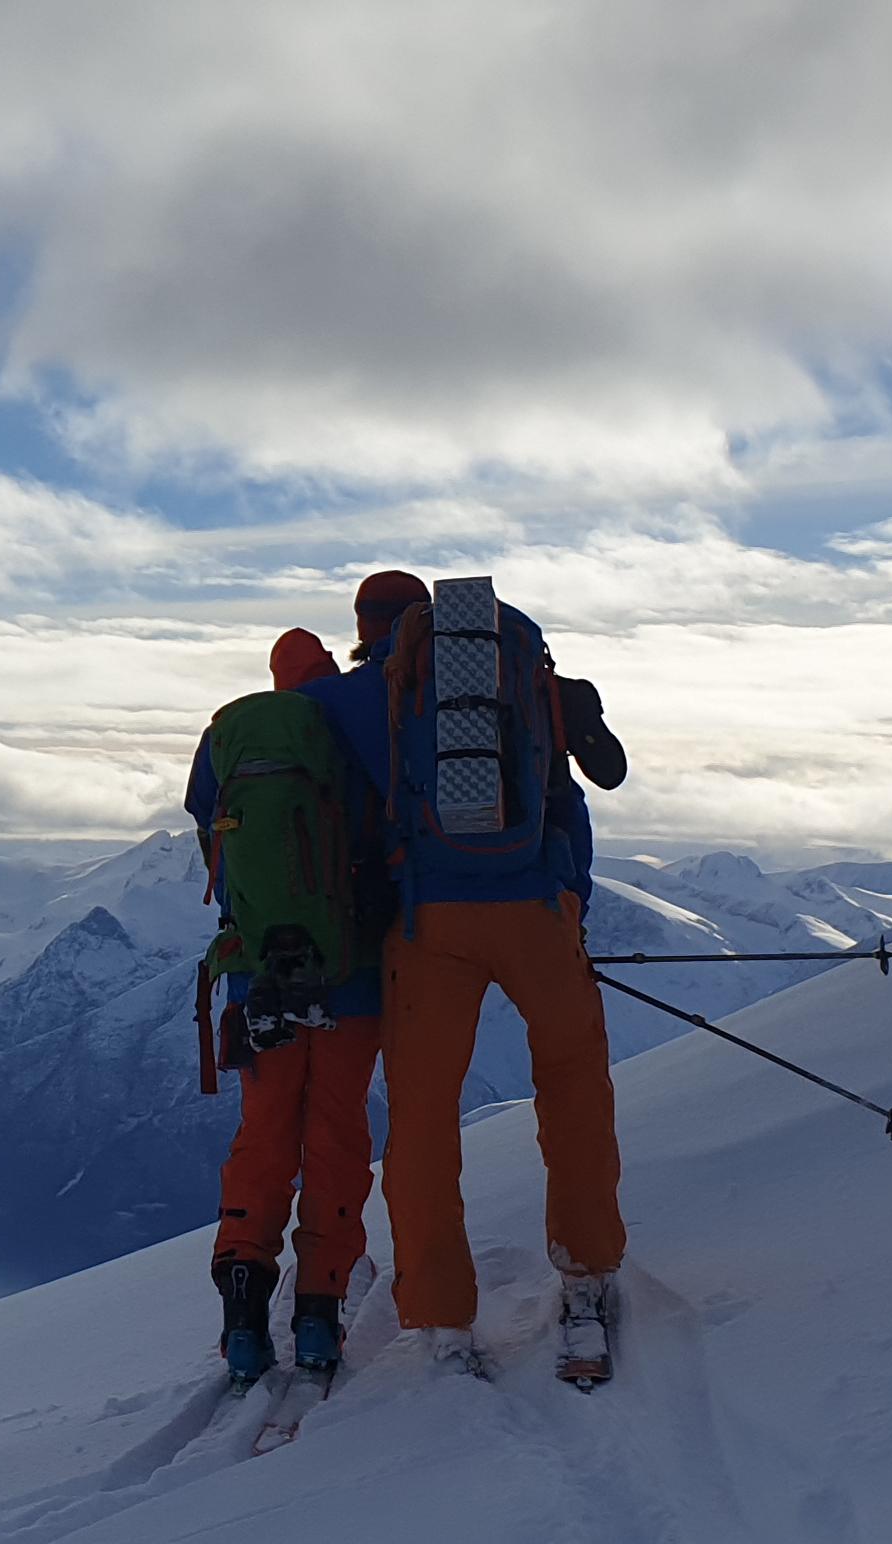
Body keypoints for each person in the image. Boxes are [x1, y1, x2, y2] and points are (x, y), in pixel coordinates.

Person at [298, 571, 624, 1382]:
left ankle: (445, 1320)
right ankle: (587, 1279)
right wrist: (565, 902)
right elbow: (568, 799)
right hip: (537, 907)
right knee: (575, 1088)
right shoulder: (520, 673)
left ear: (365, 628)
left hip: (428, 921)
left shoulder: (351, 700)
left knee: (424, 1119)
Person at [186, 625, 388, 1385]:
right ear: (329, 670)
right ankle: (317, 1315)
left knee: (264, 1136)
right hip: (351, 973)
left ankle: (242, 1312)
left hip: (256, 976)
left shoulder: (228, 739)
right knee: (336, 1136)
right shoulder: (348, 730)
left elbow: (207, 829)